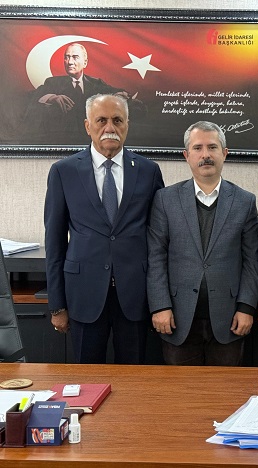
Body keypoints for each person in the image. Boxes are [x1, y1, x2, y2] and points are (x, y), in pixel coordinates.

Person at [44, 93, 164, 364]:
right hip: (83, 294)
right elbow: (54, 241)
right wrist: (57, 305)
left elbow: (159, 238)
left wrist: (160, 300)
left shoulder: (148, 171)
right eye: (101, 120)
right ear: (88, 126)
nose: (110, 127)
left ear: (127, 125)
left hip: (135, 295)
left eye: (117, 120)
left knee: (134, 376)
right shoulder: (64, 171)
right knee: (87, 378)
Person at [147, 121, 258, 366]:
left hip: (229, 320)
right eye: (198, 148)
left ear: (224, 153)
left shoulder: (245, 201)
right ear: (186, 155)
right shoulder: (165, 199)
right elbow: (156, 257)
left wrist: (246, 308)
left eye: (212, 147)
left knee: (224, 388)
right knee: (182, 388)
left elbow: (252, 261)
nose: (205, 155)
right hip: (176, 319)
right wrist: (160, 306)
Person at [26, 43, 143, 143]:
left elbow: (119, 92)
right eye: (67, 57)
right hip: (62, 140)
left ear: (85, 62)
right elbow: (30, 98)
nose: (70, 62)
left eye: (75, 57)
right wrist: (51, 97)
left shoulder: (96, 83)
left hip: (91, 141)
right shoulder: (53, 83)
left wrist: (117, 96)